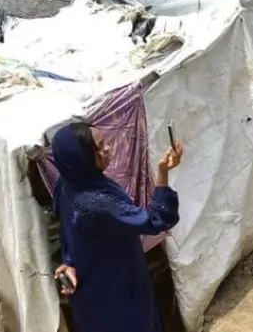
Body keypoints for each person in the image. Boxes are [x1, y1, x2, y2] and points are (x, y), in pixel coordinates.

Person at [51, 122, 182, 332]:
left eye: (105, 142)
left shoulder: (67, 184)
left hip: (89, 288)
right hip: (117, 287)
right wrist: (163, 172)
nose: (108, 148)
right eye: (99, 147)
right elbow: (155, 220)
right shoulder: (98, 201)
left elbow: (68, 228)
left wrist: (68, 261)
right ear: (81, 157)